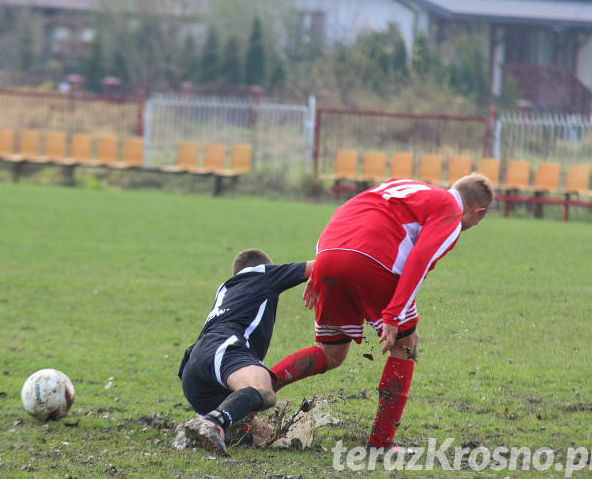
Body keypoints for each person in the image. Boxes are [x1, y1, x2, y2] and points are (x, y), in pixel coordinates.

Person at [269, 173, 494, 451]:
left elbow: (351, 209)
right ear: (478, 212)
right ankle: (381, 442)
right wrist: (393, 314)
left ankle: (258, 389)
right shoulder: (450, 212)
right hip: (374, 265)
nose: (471, 224)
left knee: (331, 354)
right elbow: (419, 259)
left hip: (328, 252)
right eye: (476, 221)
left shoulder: (405, 186)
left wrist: (320, 267)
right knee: (407, 345)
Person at [178, 249, 314, 454]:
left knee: (264, 436)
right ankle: (212, 424)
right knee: (264, 392)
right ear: (265, 266)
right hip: (225, 347)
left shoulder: (226, 288)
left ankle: (209, 427)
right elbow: (324, 264)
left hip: (193, 369)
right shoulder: (263, 274)